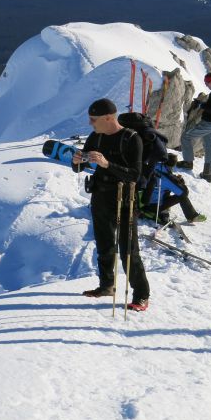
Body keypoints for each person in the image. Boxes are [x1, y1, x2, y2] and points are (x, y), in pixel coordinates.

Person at [71, 98, 150, 311]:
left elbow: (135, 175)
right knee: (104, 244)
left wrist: (107, 164)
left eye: (93, 119)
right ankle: (107, 286)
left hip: (125, 199)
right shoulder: (95, 136)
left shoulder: (131, 139)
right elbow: (78, 167)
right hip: (100, 196)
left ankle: (141, 295)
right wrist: (77, 161)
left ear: (108, 118)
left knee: (128, 249)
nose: (90, 123)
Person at [116, 112, 206, 224]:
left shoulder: (148, 165)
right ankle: (192, 216)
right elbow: (183, 192)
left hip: (137, 200)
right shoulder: (164, 175)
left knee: (168, 188)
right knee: (181, 193)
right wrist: (177, 182)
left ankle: (190, 215)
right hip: (152, 206)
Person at [178, 73, 211, 182]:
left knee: (186, 137)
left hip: (209, 123)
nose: (205, 85)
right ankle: (207, 174)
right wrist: (203, 103)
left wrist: (200, 105)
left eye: (206, 82)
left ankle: (188, 162)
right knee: (210, 148)